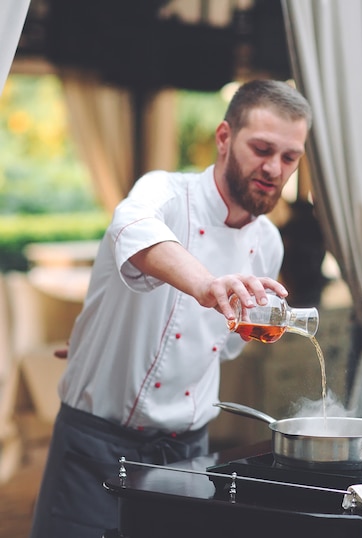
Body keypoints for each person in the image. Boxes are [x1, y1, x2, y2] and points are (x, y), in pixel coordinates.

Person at [29, 79, 312, 538]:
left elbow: (221, 348)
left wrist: (111, 342)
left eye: (289, 157)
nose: (275, 168)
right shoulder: (164, 192)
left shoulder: (268, 244)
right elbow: (132, 228)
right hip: (96, 442)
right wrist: (206, 284)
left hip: (186, 452)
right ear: (224, 138)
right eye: (262, 149)